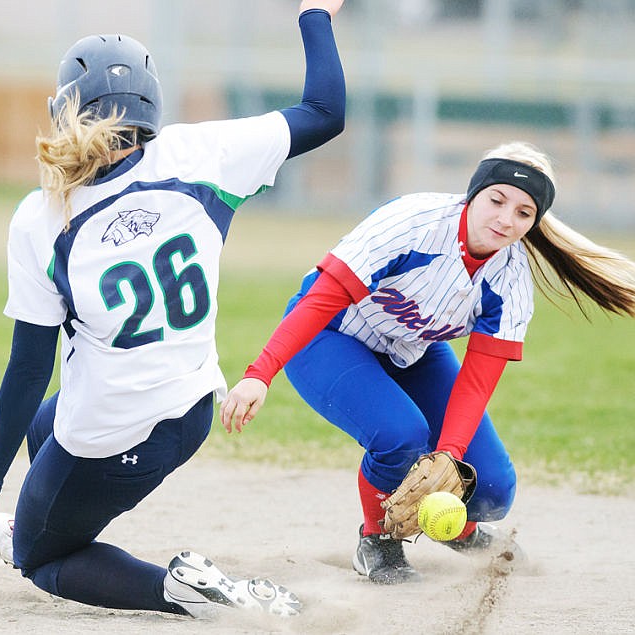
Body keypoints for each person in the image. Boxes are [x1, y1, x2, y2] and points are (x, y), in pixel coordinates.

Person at [0, 0, 346, 618]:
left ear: (63, 110)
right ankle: (42, 519)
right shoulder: (200, 155)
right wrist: (314, 12)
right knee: (43, 426)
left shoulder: (45, 217)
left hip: (116, 434)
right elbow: (325, 111)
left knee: (41, 559)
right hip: (191, 411)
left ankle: (187, 593)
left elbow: (27, 369)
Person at [220, 140, 635, 584]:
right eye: (497, 200)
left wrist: (450, 459)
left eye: (523, 213)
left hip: (411, 349)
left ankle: (457, 527)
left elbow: (476, 381)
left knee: (491, 488)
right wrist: (259, 374)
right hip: (330, 335)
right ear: (474, 193)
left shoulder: (510, 277)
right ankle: (376, 542)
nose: (504, 219)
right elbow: (322, 299)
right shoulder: (412, 223)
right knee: (401, 435)